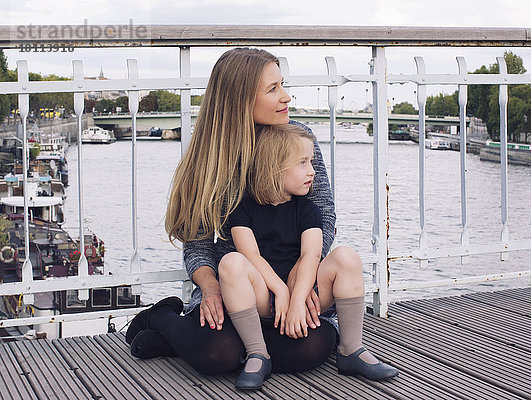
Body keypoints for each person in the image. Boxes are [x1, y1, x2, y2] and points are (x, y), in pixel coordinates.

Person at [125, 48, 338, 375]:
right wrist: (210, 288)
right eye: (273, 89)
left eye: (283, 85)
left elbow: (322, 215)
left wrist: (301, 280)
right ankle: (163, 318)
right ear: (239, 99)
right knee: (219, 355)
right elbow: (196, 241)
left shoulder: (298, 141)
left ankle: (180, 341)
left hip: (293, 286)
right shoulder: (208, 158)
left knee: (313, 346)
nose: (286, 97)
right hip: (237, 289)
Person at [222, 124, 399, 389]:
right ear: (274, 168)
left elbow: (311, 256)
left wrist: (296, 301)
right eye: (303, 163)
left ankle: (351, 349)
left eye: (311, 162)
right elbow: (251, 256)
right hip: (262, 296)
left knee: (346, 257)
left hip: (304, 296)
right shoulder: (242, 211)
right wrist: (281, 292)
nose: (312, 171)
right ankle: (258, 353)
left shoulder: (308, 210)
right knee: (231, 262)